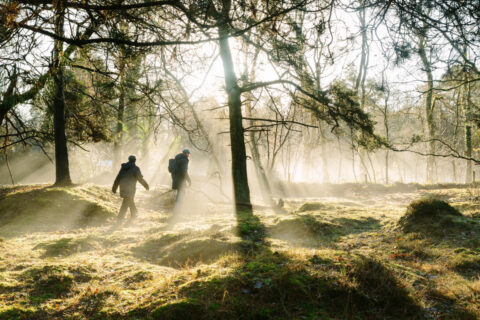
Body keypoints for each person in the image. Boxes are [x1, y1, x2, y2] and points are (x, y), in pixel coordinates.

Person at [112, 155, 149, 221]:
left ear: (128, 160)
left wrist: (114, 188)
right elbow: (140, 178)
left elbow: (118, 178)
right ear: (135, 160)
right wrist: (146, 185)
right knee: (126, 202)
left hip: (123, 188)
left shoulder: (123, 168)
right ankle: (120, 217)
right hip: (130, 188)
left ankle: (134, 214)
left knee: (129, 200)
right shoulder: (135, 168)